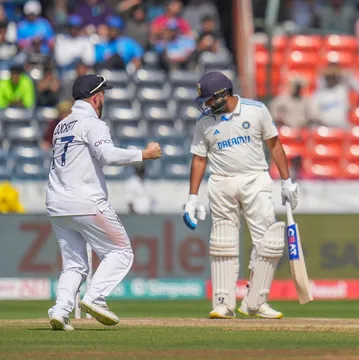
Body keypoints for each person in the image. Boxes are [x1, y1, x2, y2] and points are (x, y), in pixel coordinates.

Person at [46, 74, 162, 331]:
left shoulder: (61, 125)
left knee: (74, 265)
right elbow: (107, 155)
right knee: (120, 252)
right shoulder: (92, 122)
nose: (104, 99)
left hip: (57, 203)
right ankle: (95, 297)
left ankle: (60, 309)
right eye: (104, 94)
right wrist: (145, 154)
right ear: (96, 96)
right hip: (85, 201)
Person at [183, 71, 299, 319]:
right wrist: (192, 197)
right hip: (221, 182)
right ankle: (223, 303)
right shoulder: (205, 123)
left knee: (268, 242)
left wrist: (287, 182)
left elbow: (275, 145)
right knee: (223, 242)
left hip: (255, 179)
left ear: (224, 94)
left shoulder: (256, 110)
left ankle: (255, 301)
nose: (206, 105)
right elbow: (199, 159)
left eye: (209, 99)